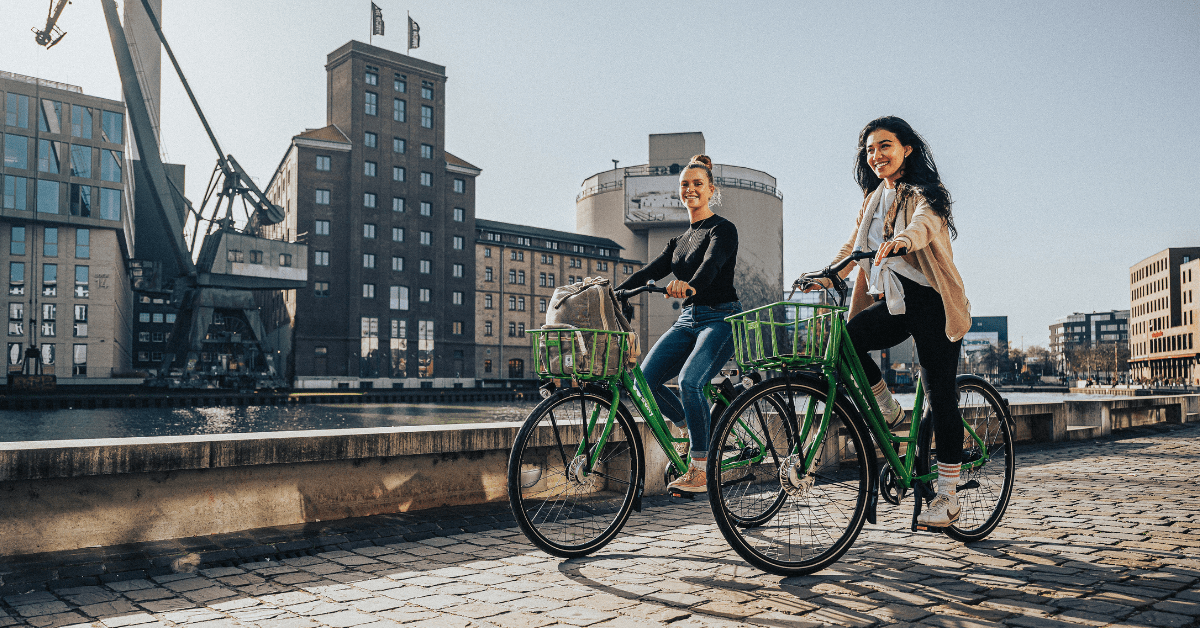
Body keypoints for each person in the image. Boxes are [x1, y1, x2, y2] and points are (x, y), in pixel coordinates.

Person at [806, 116, 970, 526]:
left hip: (931, 302)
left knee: (940, 396)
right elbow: (854, 247)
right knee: (848, 338)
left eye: (885, 146)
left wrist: (903, 240)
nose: (876, 155)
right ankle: (890, 411)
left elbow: (924, 225)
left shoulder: (926, 194)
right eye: (870, 150)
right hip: (897, 303)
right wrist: (827, 273)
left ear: (906, 149)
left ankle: (948, 497)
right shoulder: (874, 198)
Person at [617, 154, 741, 493]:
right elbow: (649, 272)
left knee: (689, 381)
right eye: (685, 185)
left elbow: (713, 264)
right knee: (644, 380)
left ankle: (700, 469)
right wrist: (614, 292)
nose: (690, 190)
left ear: (711, 189)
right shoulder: (679, 241)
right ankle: (693, 426)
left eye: (697, 184)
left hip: (721, 317)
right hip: (689, 318)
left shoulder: (722, 229)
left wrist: (691, 285)